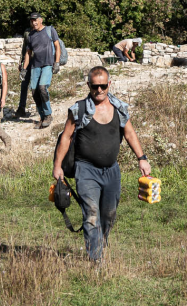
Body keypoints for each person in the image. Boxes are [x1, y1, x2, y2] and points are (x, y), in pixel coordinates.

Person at [52, 66, 151, 263]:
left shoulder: (119, 108)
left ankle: (101, 242)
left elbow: (130, 133)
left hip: (112, 171)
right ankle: (96, 260)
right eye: (95, 86)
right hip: (86, 169)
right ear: (88, 85)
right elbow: (66, 137)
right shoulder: (79, 110)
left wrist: (142, 158)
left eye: (103, 86)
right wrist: (58, 165)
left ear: (109, 84)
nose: (99, 90)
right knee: (91, 213)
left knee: (109, 214)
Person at [18, 12, 62, 128]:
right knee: (34, 91)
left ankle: (48, 114)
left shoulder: (49, 30)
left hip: (47, 64)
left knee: (42, 87)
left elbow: (57, 46)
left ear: (41, 20)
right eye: (32, 20)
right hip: (35, 66)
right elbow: (28, 54)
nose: (34, 22)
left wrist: (56, 62)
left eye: (36, 20)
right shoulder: (31, 35)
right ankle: (42, 117)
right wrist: (24, 69)